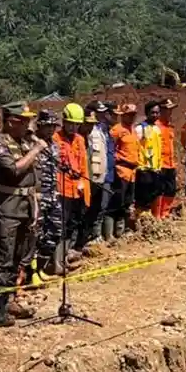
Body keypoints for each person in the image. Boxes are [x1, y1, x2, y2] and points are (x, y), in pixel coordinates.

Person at [0, 102, 47, 327]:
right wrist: (35, 150)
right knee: (4, 257)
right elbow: (13, 171)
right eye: (24, 121)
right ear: (12, 122)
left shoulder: (23, 142)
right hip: (7, 209)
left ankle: (10, 298)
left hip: (24, 208)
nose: (28, 126)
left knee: (18, 257)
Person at [54, 103, 90, 265]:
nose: (73, 127)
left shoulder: (80, 140)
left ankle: (65, 258)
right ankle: (57, 262)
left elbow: (83, 166)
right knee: (61, 226)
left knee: (72, 225)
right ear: (64, 121)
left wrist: (83, 184)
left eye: (77, 124)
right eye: (71, 123)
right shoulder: (56, 139)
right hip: (62, 189)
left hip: (78, 190)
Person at [32, 109, 63, 281]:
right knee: (36, 235)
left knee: (54, 232)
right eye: (48, 126)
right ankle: (33, 273)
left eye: (53, 126)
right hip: (38, 195)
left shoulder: (53, 145)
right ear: (40, 126)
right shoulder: (32, 144)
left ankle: (42, 268)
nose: (51, 129)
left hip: (52, 193)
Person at [83, 102, 114, 244]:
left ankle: (95, 235)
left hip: (102, 176)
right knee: (89, 209)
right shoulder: (89, 132)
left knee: (100, 207)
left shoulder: (103, 130)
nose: (103, 115)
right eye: (99, 112)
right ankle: (88, 237)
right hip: (91, 177)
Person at [110, 104, 140, 238]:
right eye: (129, 115)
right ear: (123, 115)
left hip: (132, 172)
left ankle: (124, 230)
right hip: (121, 171)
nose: (132, 117)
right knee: (118, 202)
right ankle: (113, 233)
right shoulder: (117, 130)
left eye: (133, 115)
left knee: (128, 202)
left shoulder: (132, 130)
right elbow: (111, 150)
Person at [134, 101, 163, 216]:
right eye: (152, 112)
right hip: (143, 169)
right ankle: (139, 220)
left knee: (153, 196)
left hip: (155, 168)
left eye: (157, 112)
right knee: (142, 199)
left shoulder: (157, 129)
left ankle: (149, 219)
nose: (155, 115)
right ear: (147, 113)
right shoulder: (140, 129)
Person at [153, 99, 179, 219]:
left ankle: (165, 213)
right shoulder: (155, 126)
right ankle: (157, 215)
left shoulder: (170, 126)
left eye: (171, 110)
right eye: (167, 109)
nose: (170, 112)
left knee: (171, 189)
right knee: (159, 190)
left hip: (170, 163)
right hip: (159, 164)